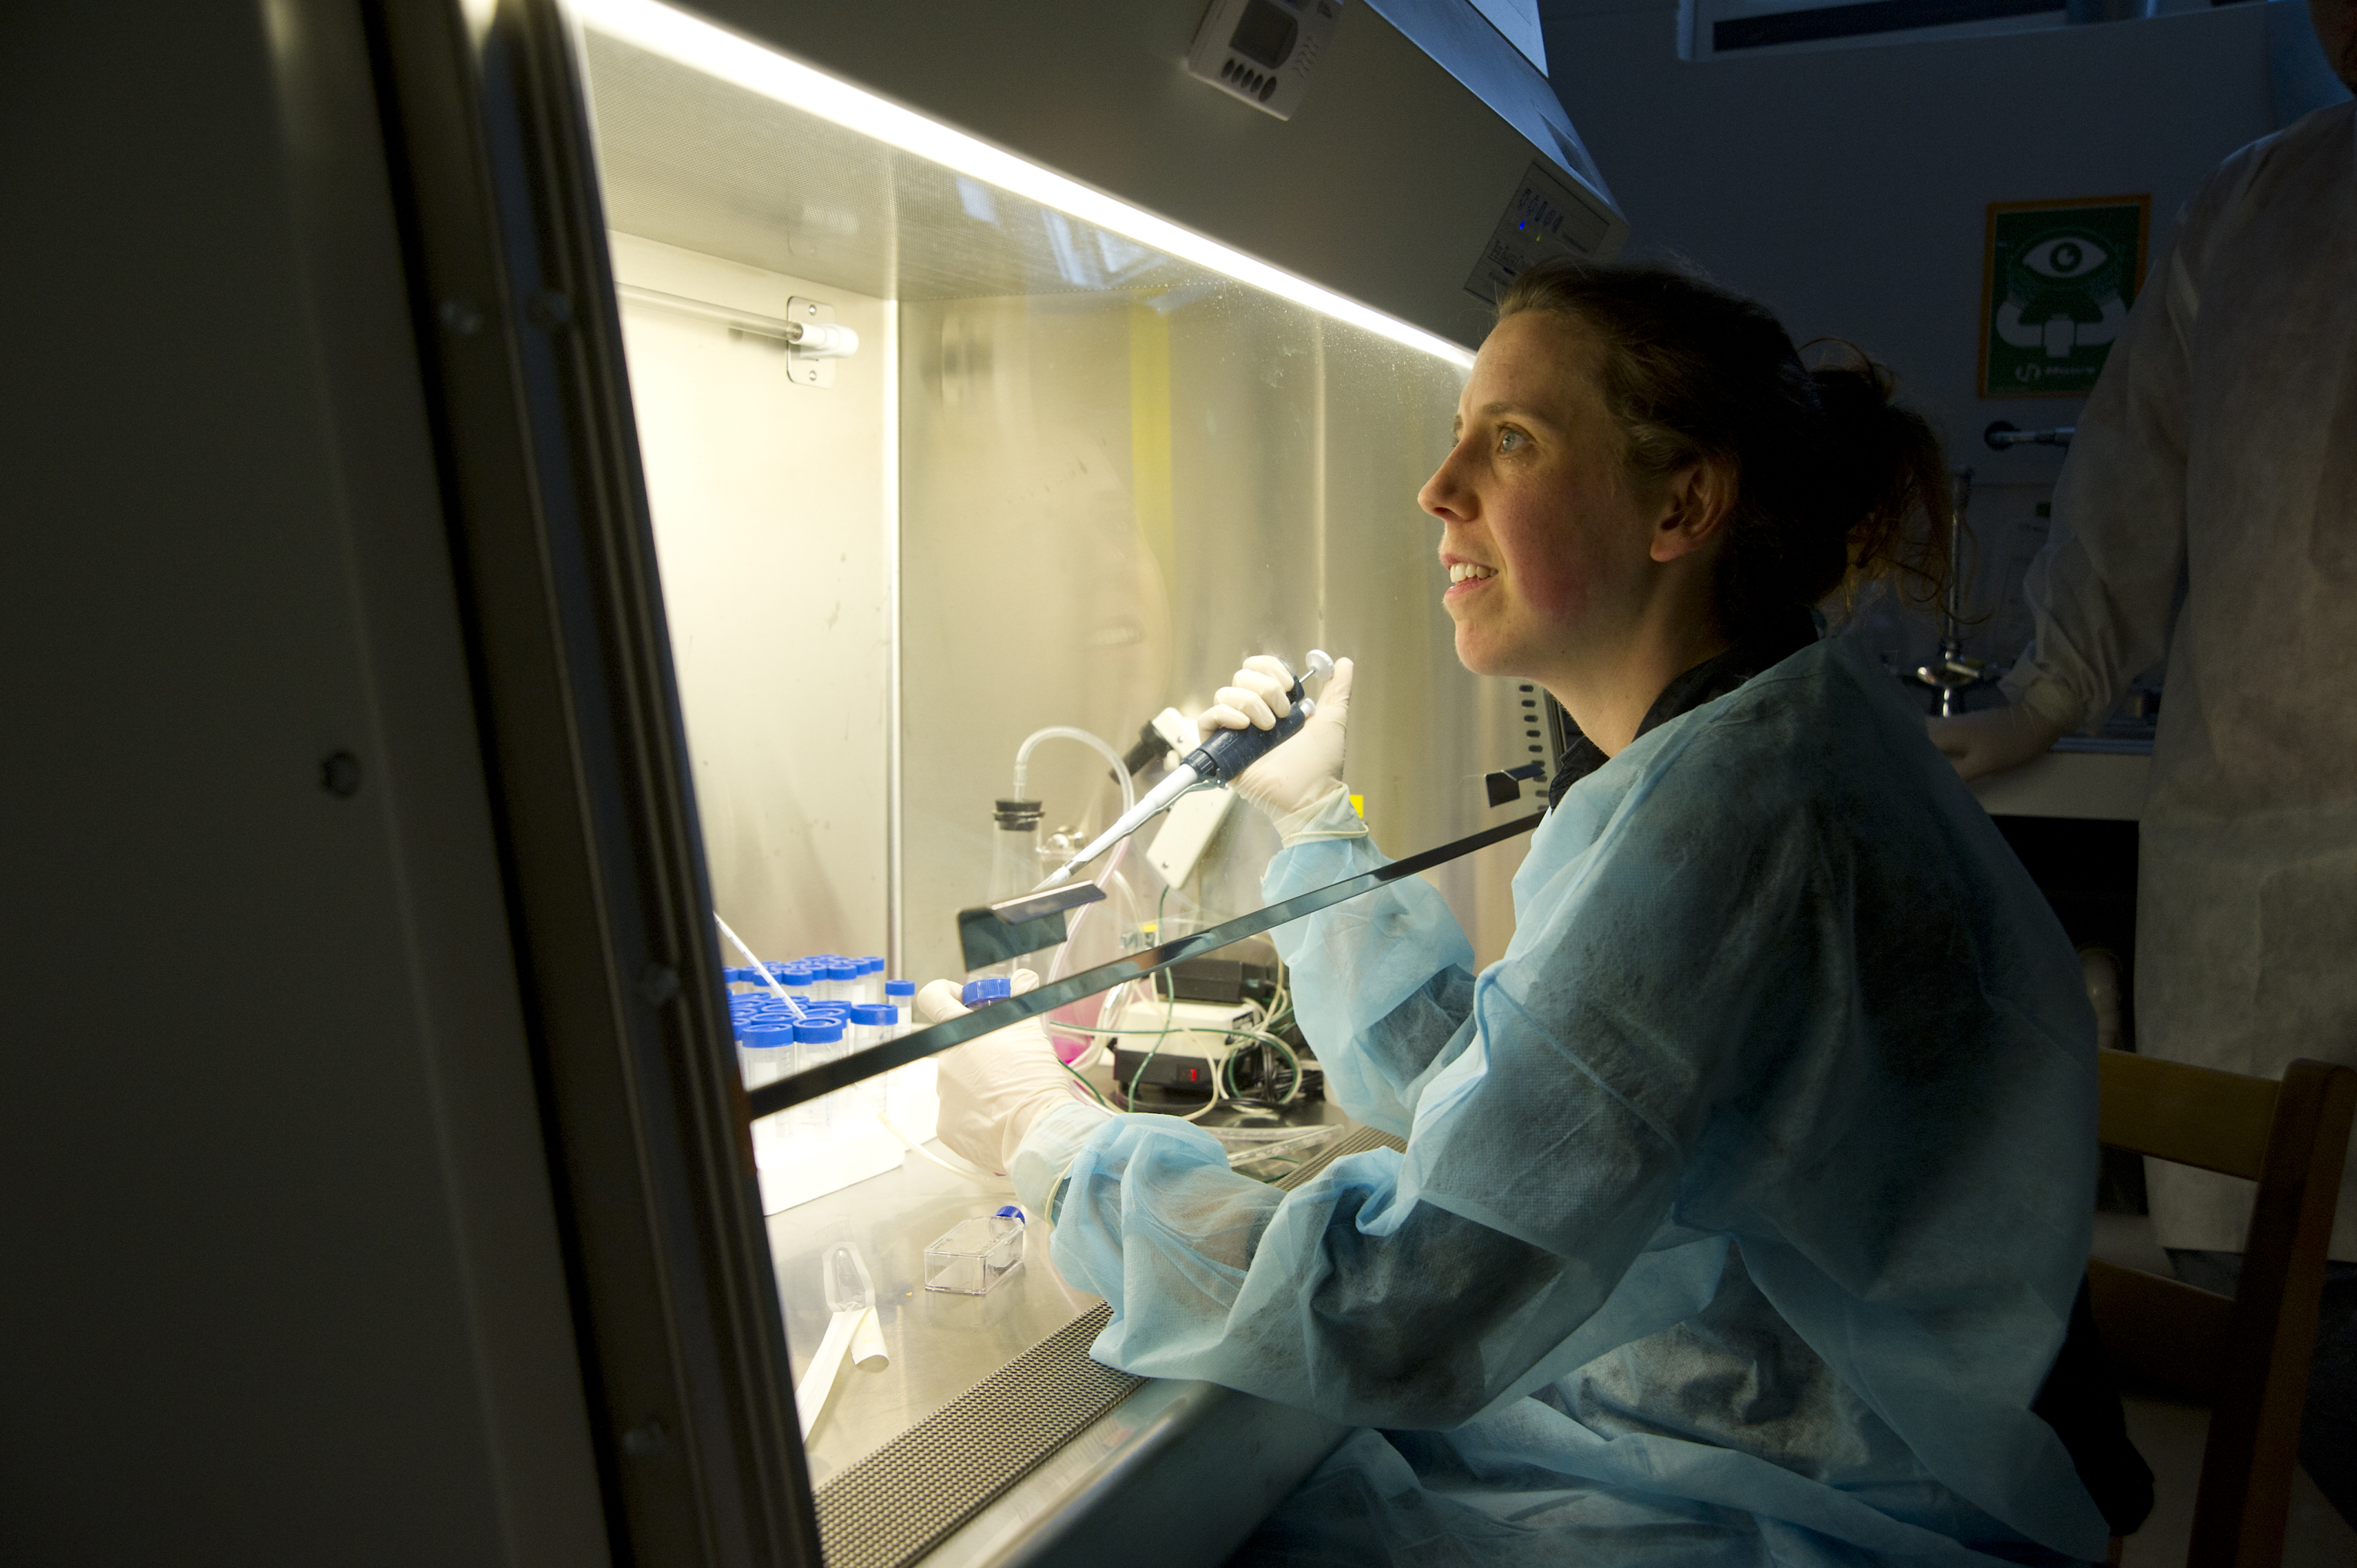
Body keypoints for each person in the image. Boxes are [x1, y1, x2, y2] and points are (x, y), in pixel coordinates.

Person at [921, 259, 2138, 1565]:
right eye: (1457, 439)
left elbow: (1399, 1313)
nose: (1439, 490)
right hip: (1756, 1435)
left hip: (1829, 1506)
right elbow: (1521, 1093)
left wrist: (1047, 1138)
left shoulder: (1737, 816)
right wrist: (1315, 821)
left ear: (1683, 503)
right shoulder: (1747, 744)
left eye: (1510, 441)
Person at [1927, 12, 2355, 1522]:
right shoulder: (2253, 206)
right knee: (2301, 1354)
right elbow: (2126, 471)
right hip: (2256, 888)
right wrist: (2045, 691)